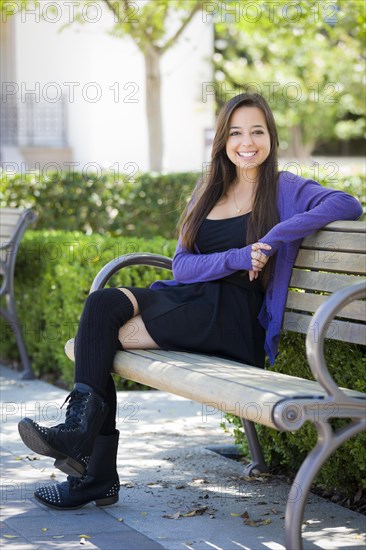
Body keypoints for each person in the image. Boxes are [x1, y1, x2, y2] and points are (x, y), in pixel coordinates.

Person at [18, 92, 362, 510]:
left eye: (257, 131)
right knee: (103, 306)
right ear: (223, 140)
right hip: (192, 300)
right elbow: (182, 267)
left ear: (271, 136)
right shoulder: (209, 189)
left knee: (101, 337)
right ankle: (84, 444)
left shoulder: (285, 187)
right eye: (236, 132)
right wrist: (239, 256)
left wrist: (271, 240)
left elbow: (347, 203)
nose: (247, 141)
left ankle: (91, 466)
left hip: (233, 317)